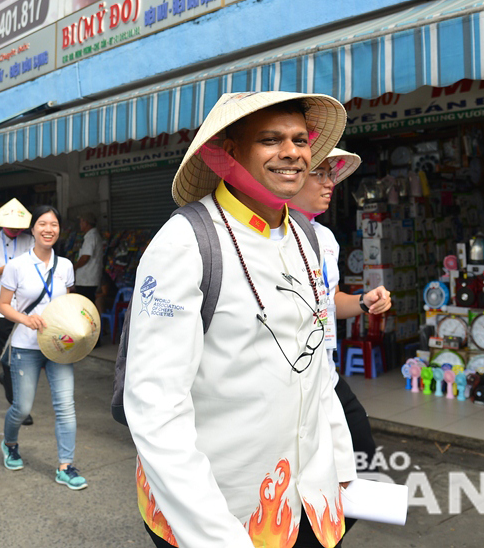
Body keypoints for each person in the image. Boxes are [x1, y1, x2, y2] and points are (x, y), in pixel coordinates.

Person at [125, 91, 356, 547]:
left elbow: (316, 370)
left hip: (312, 506)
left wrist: (341, 467)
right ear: (229, 152)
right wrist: (215, 537)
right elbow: (156, 407)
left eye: (299, 139)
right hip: (222, 512)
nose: (292, 153)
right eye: (270, 140)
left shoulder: (307, 235)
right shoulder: (185, 242)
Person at [290, 148, 392, 533]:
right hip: (293, 378)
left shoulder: (325, 238)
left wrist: (365, 302)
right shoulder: (262, 240)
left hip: (325, 370)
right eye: (318, 173)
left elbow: (328, 301)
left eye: (330, 174)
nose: (329, 183)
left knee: (361, 454)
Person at [0, 205, 87, 490]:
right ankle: (10, 443)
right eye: (43, 224)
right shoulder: (16, 266)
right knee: (22, 408)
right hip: (26, 346)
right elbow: (2, 305)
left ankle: (66, 466)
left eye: (54, 224)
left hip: (60, 348)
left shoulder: (66, 266)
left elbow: (69, 304)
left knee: (66, 407)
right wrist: (26, 319)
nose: (49, 229)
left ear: (59, 230)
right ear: (33, 229)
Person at [0, 198, 35, 417]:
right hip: (0, 309)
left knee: (26, 358)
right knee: (11, 358)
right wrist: (13, 265)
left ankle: (15, 391)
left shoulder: (30, 240)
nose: (15, 228)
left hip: (27, 308)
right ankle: (19, 406)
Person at [73, 211, 104, 305]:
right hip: (89, 280)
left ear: (86, 222)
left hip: (87, 281)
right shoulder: (92, 236)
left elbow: (85, 257)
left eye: (81, 221)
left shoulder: (91, 237)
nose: (80, 224)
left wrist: (74, 267)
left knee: (85, 306)